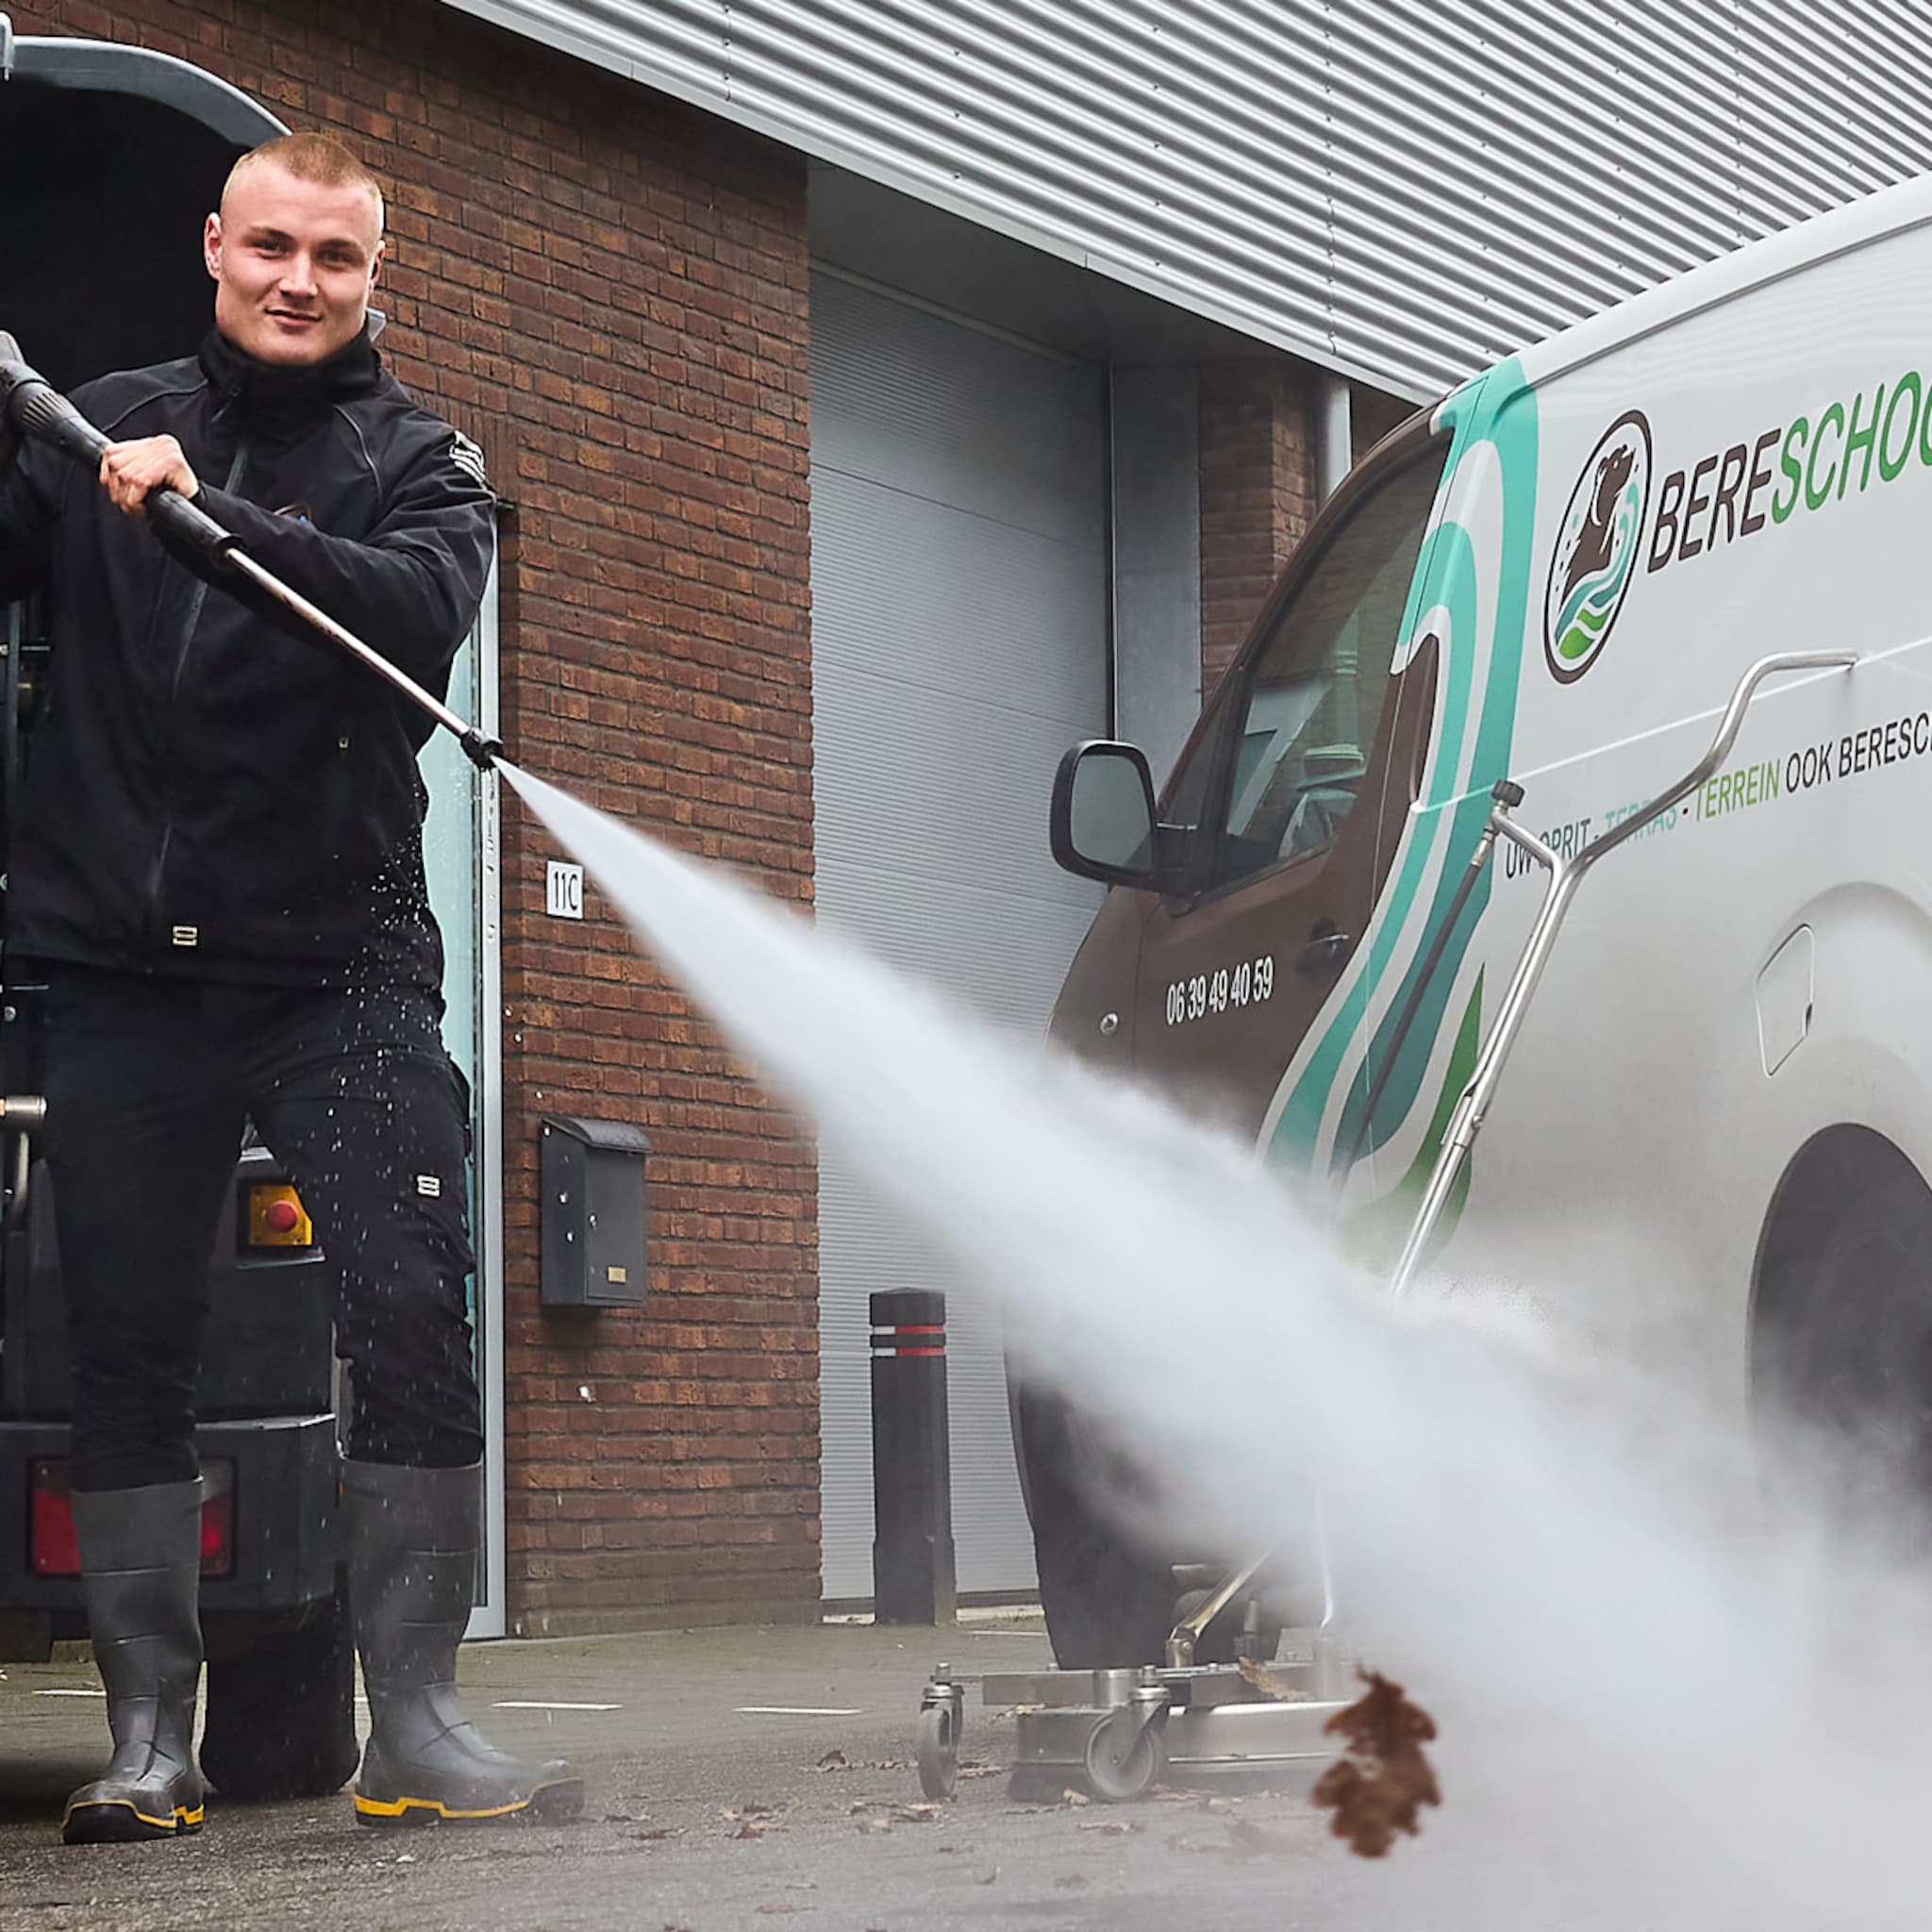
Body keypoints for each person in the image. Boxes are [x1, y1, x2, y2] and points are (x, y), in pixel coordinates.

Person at [0, 133, 581, 1841]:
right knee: (128, 1340)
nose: (296, 281)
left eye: (333, 257)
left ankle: (413, 1722)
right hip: (120, 972)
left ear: (373, 276)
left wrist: (199, 511)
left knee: (411, 1297)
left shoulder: (428, 463)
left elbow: (408, 623)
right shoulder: (92, 420)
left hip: (340, 965)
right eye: (269, 248)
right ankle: (151, 1750)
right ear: (215, 247)